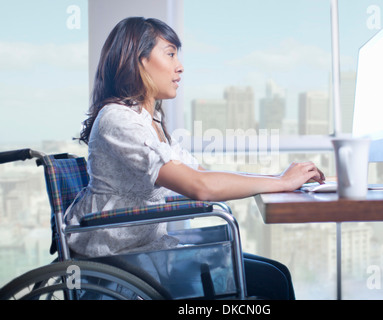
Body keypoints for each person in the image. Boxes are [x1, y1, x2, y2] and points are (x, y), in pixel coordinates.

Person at [66, 17, 325, 300]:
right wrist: (282, 183)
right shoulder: (118, 120)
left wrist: (278, 179)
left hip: (148, 253)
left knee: (276, 272)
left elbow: (201, 173)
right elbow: (199, 187)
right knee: (270, 281)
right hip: (119, 262)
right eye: (170, 53)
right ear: (139, 60)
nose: (180, 66)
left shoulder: (147, 120)